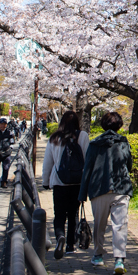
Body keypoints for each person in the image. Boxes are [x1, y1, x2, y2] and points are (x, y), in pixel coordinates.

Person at [79, 112, 132, 275]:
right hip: (120, 189)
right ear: (119, 126)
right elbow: (128, 164)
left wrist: (82, 194)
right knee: (119, 225)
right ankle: (119, 259)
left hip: (99, 189)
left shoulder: (94, 144)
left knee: (99, 225)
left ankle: (98, 255)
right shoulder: (123, 142)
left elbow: (87, 169)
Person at [41, 111, 89, 259]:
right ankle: (70, 245)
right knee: (73, 213)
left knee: (59, 214)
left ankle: (60, 236)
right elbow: (87, 160)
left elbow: (47, 162)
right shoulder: (83, 136)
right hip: (77, 182)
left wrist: (45, 181)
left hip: (59, 182)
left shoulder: (54, 138)